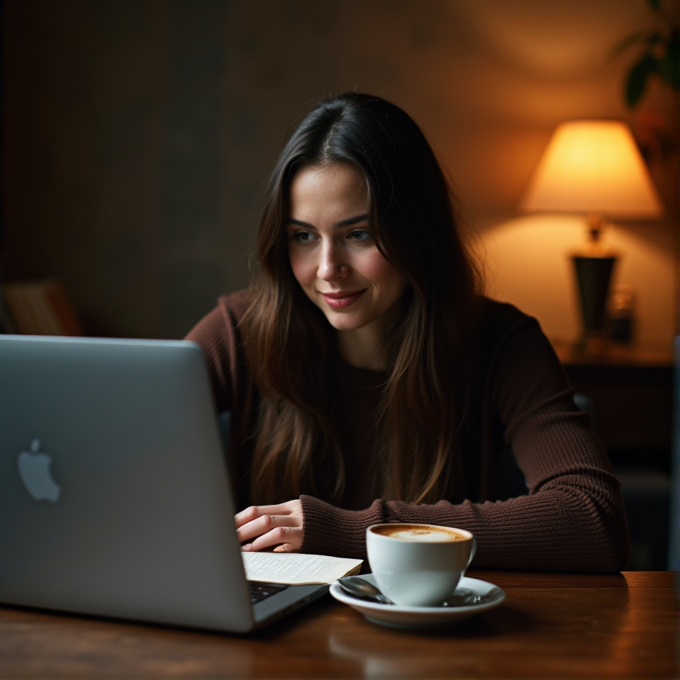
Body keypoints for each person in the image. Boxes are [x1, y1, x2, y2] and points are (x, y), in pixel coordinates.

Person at [186, 92, 630, 572]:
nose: (327, 269)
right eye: (304, 236)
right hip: (269, 630)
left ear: (416, 231)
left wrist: (352, 532)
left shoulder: (501, 341)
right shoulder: (238, 331)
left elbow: (593, 518)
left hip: (428, 634)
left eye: (359, 234)